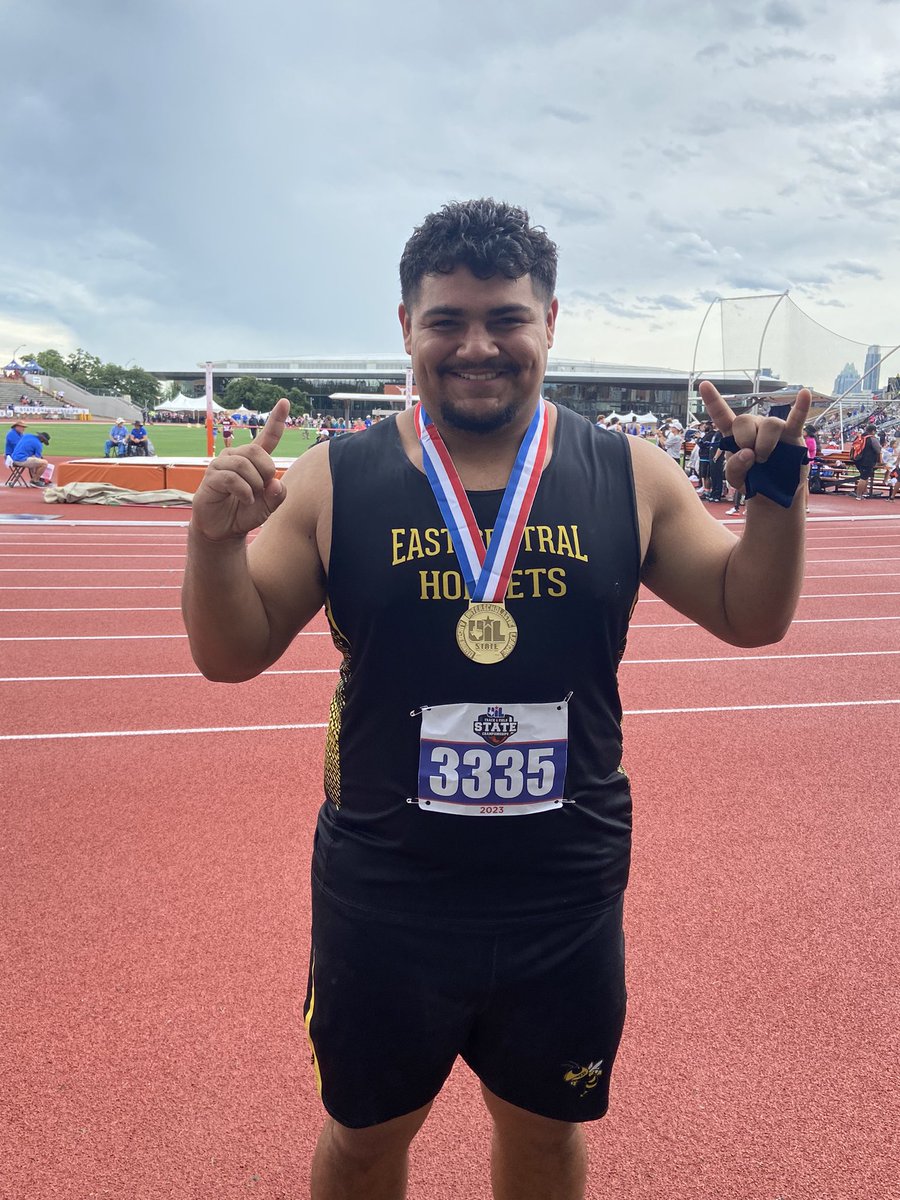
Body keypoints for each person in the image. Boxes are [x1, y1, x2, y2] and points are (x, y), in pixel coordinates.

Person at [181, 198, 809, 1200]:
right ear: (406, 329)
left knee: (546, 1140)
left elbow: (748, 613)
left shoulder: (628, 471)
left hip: (562, 888)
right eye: (448, 321)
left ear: (549, 322)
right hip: (388, 891)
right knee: (364, 1144)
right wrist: (214, 543)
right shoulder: (336, 480)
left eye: (506, 319)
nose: (478, 345)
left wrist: (778, 494)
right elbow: (232, 653)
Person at [851, 423, 882, 500]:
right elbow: (878, 450)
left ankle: (863, 493)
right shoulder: (872, 439)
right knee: (863, 478)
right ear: (873, 431)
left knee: (864, 476)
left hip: (857, 459)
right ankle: (859, 495)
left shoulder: (859, 437)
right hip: (867, 461)